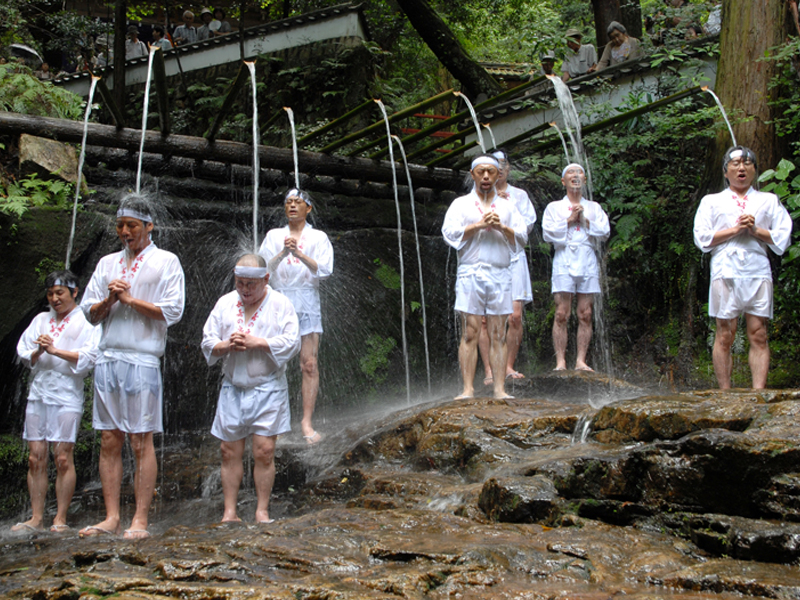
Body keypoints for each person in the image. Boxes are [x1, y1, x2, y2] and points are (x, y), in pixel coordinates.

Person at [79, 194, 185, 539]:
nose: (125, 232)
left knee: (141, 440)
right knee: (109, 439)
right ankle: (111, 517)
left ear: (149, 226)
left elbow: (173, 312)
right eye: (120, 226)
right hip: (108, 358)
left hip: (142, 359)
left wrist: (130, 300)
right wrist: (110, 299)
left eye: (132, 226)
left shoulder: (167, 261)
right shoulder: (107, 263)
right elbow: (89, 315)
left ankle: (140, 518)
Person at [201, 254, 300, 523]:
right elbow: (208, 340)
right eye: (240, 283)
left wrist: (259, 342)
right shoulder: (225, 303)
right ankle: (229, 512)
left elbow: (293, 342)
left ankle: (261, 510)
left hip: (267, 388)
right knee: (228, 451)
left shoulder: (281, 303)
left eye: (251, 284)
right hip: (233, 387)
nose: (245, 289)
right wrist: (226, 346)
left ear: (266, 279)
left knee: (264, 451)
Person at [693, 146, 792, 389]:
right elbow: (702, 238)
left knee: (759, 333)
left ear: (755, 170)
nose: (741, 168)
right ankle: (725, 391)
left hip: (757, 270)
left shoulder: (768, 200)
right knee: (725, 334)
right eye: (735, 163)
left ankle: (758, 392)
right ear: (725, 171)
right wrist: (736, 229)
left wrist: (755, 230)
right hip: (725, 270)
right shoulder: (711, 201)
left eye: (747, 164)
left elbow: (782, 237)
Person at [13, 271, 100, 533]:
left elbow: (89, 357)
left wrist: (54, 351)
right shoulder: (40, 319)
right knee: (35, 457)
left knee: (62, 457)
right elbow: (23, 352)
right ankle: (36, 517)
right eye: (50, 293)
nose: (54, 298)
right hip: (39, 393)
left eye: (59, 292)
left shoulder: (85, 323)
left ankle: (60, 517)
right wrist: (39, 350)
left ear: (74, 292)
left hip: (66, 394)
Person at [442, 155, 528, 400]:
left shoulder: (507, 206)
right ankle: (468, 388)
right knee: (470, 331)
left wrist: (502, 227)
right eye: (482, 172)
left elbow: (522, 237)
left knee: (499, 332)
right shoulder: (460, 204)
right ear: (473, 175)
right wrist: (478, 225)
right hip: (470, 272)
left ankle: (499, 389)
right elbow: (449, 234)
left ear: (498, 174)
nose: (487, 176)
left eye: (491, 171)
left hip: (501, 273)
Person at [259, 189, 333, 444]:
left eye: (297, 202)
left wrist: (299, 254)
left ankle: (306, 422)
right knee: (273, 362)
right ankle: (273, 422)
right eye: (288, 202)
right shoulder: (273, 236)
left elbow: (325, 270)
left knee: (308, 363)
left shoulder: (319, 237)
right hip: (278, 299)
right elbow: (261, 269)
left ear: (308, 208)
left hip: (307, 300)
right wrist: (282, 253)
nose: (292, 206)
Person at [542, 164, 610, 371]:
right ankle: (560, 361)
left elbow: (605, 232)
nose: (575, 176)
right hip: (564, 258)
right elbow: (547, 234)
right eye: (570, 173)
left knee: (585, 313)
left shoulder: (594, 207)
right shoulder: (554, 207)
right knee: (562, 312)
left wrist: (585, 221)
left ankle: (581, 360)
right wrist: (569, 220)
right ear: (563, 181)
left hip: (587, 258)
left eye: (579, 172)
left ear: (585, 180)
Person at [478, 150, 537, 385]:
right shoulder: (478, 195)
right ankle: (490, 370)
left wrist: (507, 205)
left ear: (508, 169)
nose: (499, 169)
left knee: (514, 316)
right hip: (488, 259)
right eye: (494, 165)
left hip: (513, 258)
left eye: (503, 164)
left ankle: (509, 365)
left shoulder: (520, 196)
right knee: (484, 319)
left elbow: (528, 226)